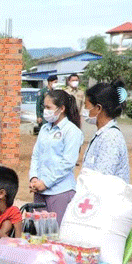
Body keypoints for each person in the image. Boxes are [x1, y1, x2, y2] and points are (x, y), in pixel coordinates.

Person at [82, 79, 131, 264]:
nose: (85, 110)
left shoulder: (111, 138)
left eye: (87, 105)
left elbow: (101, 180)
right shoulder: (102, 134)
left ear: (99, 108)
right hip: (99, 212)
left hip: (111, 213)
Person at [28, 89, 84, 225]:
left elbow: (67, 163)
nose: (45, 111)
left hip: (60, 191)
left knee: (56, 232)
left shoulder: (72, 131)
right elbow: (36, 155)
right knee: (39, 232)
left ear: (62, 109)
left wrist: (46, 182)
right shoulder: (44, 128)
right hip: (40, 190)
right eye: (44, 107)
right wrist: (34, 177)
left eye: (49, 107)